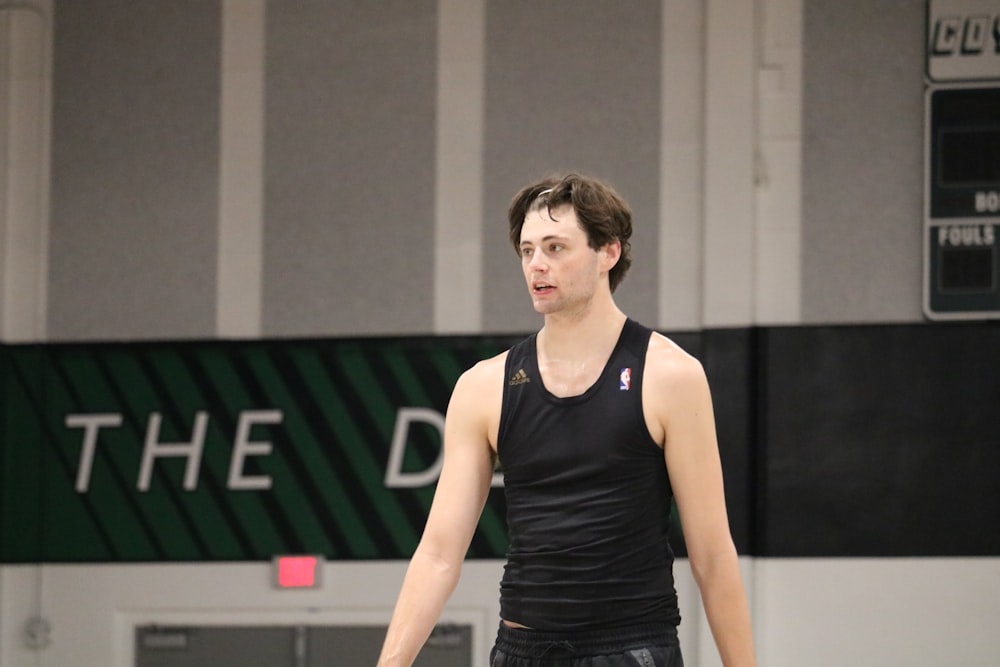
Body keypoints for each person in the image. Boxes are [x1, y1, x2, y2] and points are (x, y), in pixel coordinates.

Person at [377, 173, 756, 666]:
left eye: (556, 248)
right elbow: (438, 554)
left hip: (631, 650)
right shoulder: (483, 387)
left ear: (608, 253)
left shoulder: (670, 376)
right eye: (527, 250)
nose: (537, 265)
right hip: (521, 651)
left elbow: (712, 555)